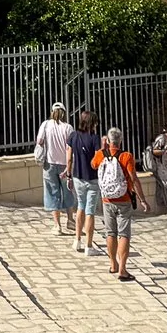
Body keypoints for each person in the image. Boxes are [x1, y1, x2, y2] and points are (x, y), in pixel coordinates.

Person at [95, 125, 142, 280]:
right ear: (120, 141)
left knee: (110, 232)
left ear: (108, 141)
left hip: (107, 199)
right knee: (124, 234)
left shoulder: (101, 155)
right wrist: (142, 199)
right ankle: (122, 269)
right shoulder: (126, 156)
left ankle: (113, 264)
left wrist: (103, 148)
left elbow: (93, 164)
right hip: (124, 199)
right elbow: (133, 178)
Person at [34, 101, 77, 234]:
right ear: (64, 113)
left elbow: (39, 141)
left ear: (52, 112)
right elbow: (71, 147)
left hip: (50, 164)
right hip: (65, 164)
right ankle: (70, 220)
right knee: (68, 191)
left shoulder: (46, 125)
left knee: (53, 193)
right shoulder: (68, 128)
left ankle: (57, 225)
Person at [67, 107, 104, 255]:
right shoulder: (94, 138)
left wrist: (68, 174)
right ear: (92, 123)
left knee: (80, 207)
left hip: (78, 176)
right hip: (92, 177)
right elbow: (97, 159)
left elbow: (69, 158)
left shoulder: (73, 136)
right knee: (90, 211)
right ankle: (89, 245)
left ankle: (77, 240)